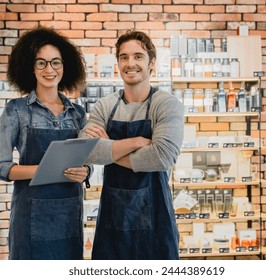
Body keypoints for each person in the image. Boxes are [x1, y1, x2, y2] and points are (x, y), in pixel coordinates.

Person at [80, 30, 184, 259]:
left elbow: (161, 157)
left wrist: (109, 146)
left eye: (138, 56)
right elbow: (85, 150)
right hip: (112, 220)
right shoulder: (105, 105)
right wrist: (137, 142)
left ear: (151, 64)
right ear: (118, 63)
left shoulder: (166, 104)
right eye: (124, 57)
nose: (130, 63)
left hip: (156, 221)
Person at [0, 26, 90, 260]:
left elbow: (86, 163)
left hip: (69, 217)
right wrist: (46, 171)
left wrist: (84, 171)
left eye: (56, 62)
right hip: (30, 220)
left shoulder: (78, 113)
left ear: (65, 67)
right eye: (41, 63)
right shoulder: (16, 111)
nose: (49, 69)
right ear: (30, 67)